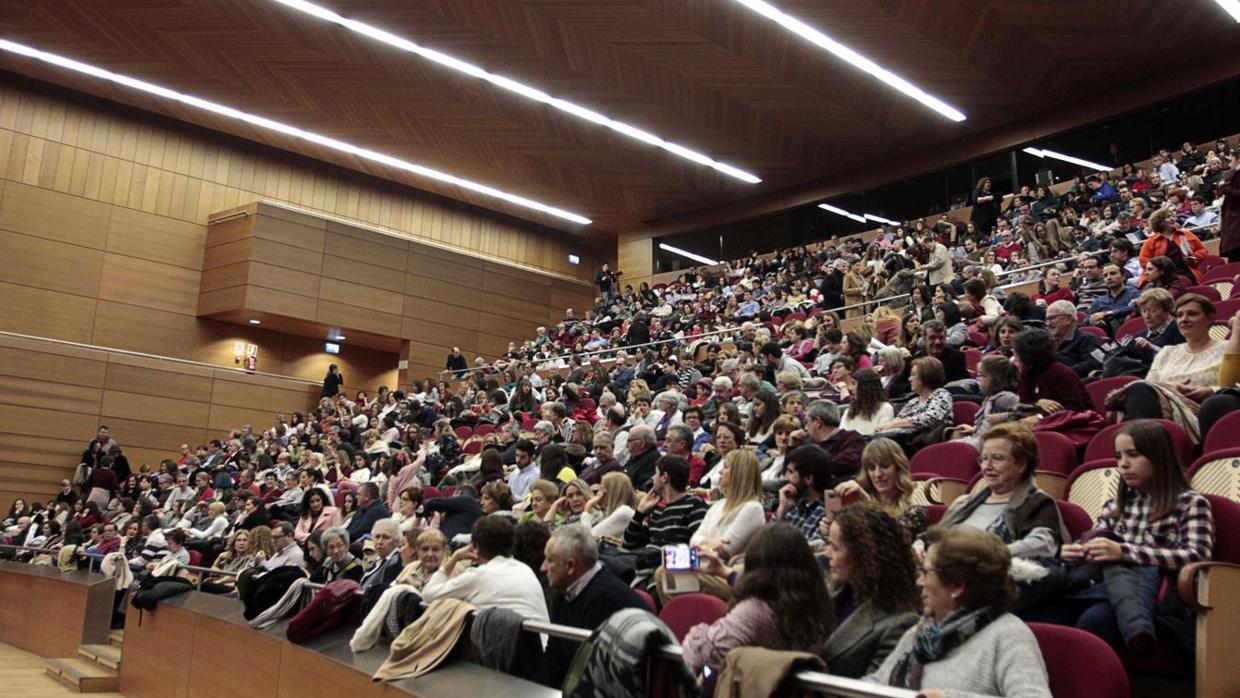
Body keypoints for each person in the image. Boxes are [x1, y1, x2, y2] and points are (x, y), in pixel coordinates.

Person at [1058, 421, 1214, 654]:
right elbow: (1097, 541)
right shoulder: (1115, 505)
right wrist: (1077, 551)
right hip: (1105, 587)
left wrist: (1124, 552)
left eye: (1133, 455)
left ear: (1159, 457)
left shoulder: (1191, 503)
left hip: (1158, 599)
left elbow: (1197, 557)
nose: (1123, 464)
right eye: (1118, 456)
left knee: (1094, 621)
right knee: (1048, 613)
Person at [864, 526, 1052, 696]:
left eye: (925, 573)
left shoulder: (1009, 635)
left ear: (956, 585)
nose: (919, 582)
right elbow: (877, 684)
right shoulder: (922, 632)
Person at [682, 523, 836, 674]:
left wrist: (699, 630)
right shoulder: (820, 600)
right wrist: (723, 571)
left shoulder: (754, 612)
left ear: (753, 561)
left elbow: (700, 653)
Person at [938, 423, 1065, 563]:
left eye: (997, 458)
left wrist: (982, 556)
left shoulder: (1037, 502)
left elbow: (1042, 546)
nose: (987, 467)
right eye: (984, 459)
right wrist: (919, 546)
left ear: (1021, 464)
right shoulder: (963, 502)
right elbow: (932, 538)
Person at [540, 524, 647, 687]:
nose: (543, 567)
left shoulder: (606, 601)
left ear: (570, 566)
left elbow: (598, 677)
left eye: (549, 560)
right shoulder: (564, 593)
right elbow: (554, 660)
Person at [821, 505, 920, 678]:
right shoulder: (828, 594)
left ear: (863, 556)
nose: (827, 553)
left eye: (835, 548)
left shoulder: (900, 623)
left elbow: (872, 690)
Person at [1111, 293, 1223, 438]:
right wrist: (1169, 386)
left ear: (1210, 318)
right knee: (1139, 390)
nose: (1184, 319)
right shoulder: (1166, 352)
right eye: (1180, 315)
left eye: (1192, 314)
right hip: (1163, 411)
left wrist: (1210, 390)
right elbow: (1149, 385)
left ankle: (1143, 448)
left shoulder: (1227, 350)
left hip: (1204, 412)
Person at [421, 514, 550, 621]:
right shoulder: (526, 570)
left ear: (475, 547)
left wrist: (454, 558)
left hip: (508, 650)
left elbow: (428, 594)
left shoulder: (477, 575)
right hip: (542, 647)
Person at [831, 438, 929, 539]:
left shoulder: (917, 501)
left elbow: (893, 540)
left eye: (884, 466)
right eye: (872, 468)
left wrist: (869, 507)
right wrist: (832, 531)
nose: (877, 474)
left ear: (898, 467)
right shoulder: (859, 503)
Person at [621, 455, 708, 555]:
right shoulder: (657, 509)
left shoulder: (694, 505)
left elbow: (699, 548)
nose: (652, 478)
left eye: (656, 473)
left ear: (664, 477)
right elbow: (628, 545)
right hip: (643, 559)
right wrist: (640, 513)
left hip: (665, 565)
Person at [875, 357, 953, 450]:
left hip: (926, 447)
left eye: (913, 375)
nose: (909, 379)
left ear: (925, 376)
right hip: (903, 442)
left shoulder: (942, 394)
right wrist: (885, 427)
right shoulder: (913, 401)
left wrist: (893, 425)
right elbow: (897, 420)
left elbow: (930, 418)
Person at [1011, 329, 1092, 415]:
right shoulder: (1027, 372)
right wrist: (1038, 403)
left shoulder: (1061, 373)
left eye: (1016, 354)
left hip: (1076, 423)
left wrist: (1040, 418)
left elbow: (1075, 409)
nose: (1014, 358)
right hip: (1043, 421)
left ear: (1028, 354)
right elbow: (1024, 404)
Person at [950, 355, 1019, 448]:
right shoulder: (990, 396)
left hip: (987, 445)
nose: (978, 379)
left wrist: (1002, 417)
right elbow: (986, 425)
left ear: (995, 379)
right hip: (979, 439)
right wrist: (974, 429)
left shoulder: (1005, 397)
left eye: (981, 375)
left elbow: (1025, 412)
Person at [794, 401, 863, 489]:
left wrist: (812, 467)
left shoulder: (851, 438)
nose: (805, 428)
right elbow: (792, 469)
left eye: (806, 422)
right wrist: (791, 445)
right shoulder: (806, 442)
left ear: (818, 422)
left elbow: (849, 462)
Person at [775, 444, 831, 543]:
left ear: (808, 479)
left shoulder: (826, 516)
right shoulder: (791, 505)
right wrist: (782, 511)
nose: (786, 477)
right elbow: (766, 544)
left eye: (790, 472)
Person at [1137, 207, 1208, 284]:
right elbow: (1143, 260)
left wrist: (1194, 257)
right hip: (1163, 275)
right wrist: (1158, 267)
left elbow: (1203, 250)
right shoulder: (1150, 241)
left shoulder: (1186, 234)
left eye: (1172, 216)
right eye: (1168, 217)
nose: (1172, 219)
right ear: (1159, 222)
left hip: (1188, 270)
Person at [583, 471, 637, 540]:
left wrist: (587, 509)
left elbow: (587, 540)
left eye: (601, 490)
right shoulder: (616, 511)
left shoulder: (623, 512)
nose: (598, 494)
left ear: (611, 493)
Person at [840, 368, 894, 436]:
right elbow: (841, 435)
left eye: (854, 384)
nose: (851, 388)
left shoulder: (885, 408)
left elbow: (880, 437)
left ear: (865, 387)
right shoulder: (849, 411)